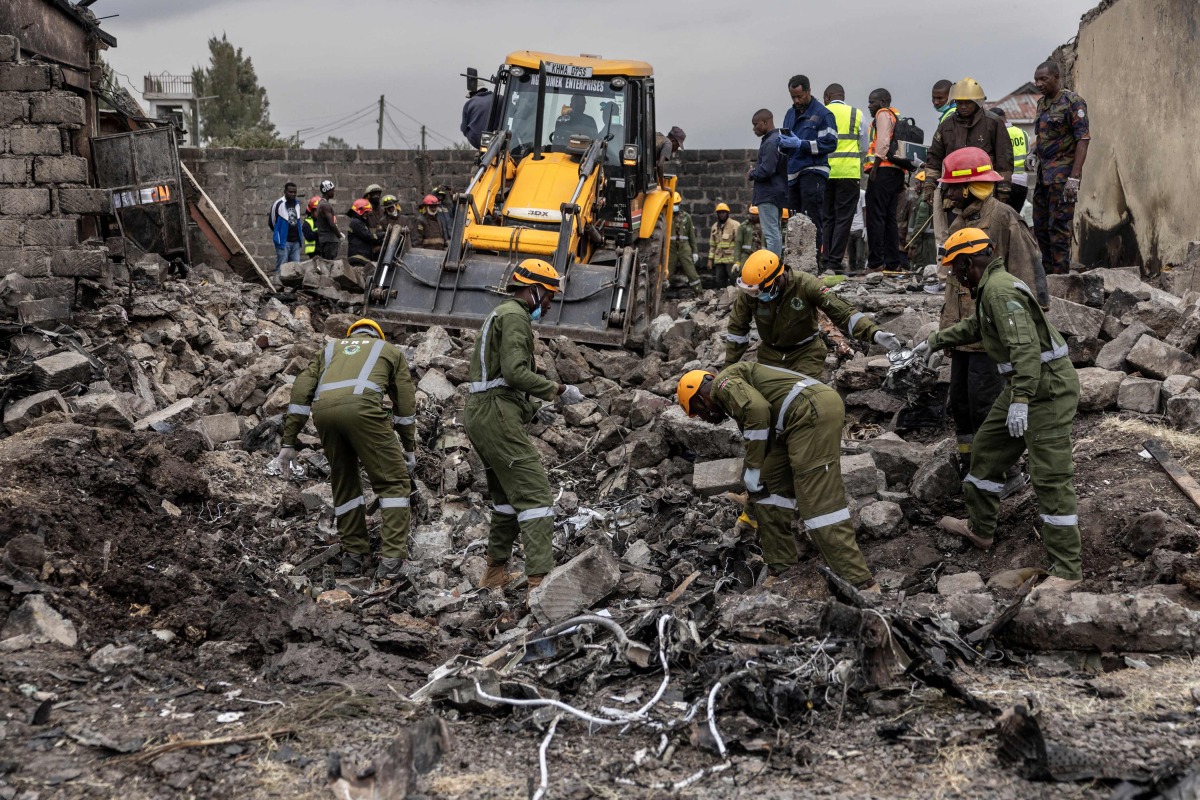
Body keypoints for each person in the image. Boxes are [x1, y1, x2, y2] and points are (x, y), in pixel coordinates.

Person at [913, 229, 1082, 593]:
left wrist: (1020, 399)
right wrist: (933, 341)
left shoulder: (1001, 291)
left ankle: (1067, 568)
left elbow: (1024, 350)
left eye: (955, 270)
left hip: (1045, 389)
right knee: (986, 451)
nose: (954, 277)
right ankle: (980, 529)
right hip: (1027, 384)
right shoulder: (992, 288)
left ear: (966, 263)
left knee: (1050, 476)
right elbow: (978, 327)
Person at [676, 366, 879, 591]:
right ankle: (781, 569)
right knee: (769, 484)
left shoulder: (723, 385)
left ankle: (862, 583)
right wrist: (750, 515)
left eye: (700, 411)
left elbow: (758, 409)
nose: (706, 418)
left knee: (817, 506)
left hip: (810, 411)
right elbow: (762, 450)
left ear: (700, 398)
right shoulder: (735, 395)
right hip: (795, 420)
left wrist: (752, 467)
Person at [466, 259, 587, 599]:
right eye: (548, 296)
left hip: (482, 413)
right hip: (495, 415)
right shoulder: (516, 316)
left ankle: (494, 574)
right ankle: (541, 585)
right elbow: (516, 372)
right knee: (535, 495)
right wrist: (558, 392)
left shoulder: (500, 314)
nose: (549, 304)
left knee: (506, 499)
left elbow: (496, 382)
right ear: (533, 290)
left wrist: (533, 409)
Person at [937, 147, 1049, 488]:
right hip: (964, 337)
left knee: (987, 407)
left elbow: (1028, 273)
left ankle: (1007, 474)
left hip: (990, 337)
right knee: (962, 405)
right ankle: (973, 468)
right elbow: (954, 285)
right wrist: (945, 332)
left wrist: (1022, 326)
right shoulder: (961, 221)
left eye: (953, 187)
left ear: (971, 186)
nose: (947, 192)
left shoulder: (1002, 218)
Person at [278, 319, 416, 584]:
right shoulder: (388, 350)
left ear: (351, 335)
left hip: (325, 414)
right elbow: (405, 402)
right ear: (378, 335)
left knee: (345, 482)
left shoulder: (330, 350)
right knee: (394, 483)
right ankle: (391, 563)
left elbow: (300, 390)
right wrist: (409, 447)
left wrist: (289, 441)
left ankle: (353, 555)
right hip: (364, 410)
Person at [725, 249, 901, 375]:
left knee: (804, 398)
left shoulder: (807, 285)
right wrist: (728, 368)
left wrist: (874, 333)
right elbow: (737, 329)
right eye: (751, 292)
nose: (755, 296)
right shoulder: (750, 293)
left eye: (759, 291)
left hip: (805, 353)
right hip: (770, 354)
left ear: (777, 279)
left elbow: (843, 312)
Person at [1031, 60, 1090, 276]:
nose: (1038, 84)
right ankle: (1047, 275)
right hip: (1042, 176)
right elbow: (1043, 136)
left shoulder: (1073, 102)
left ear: (1056, 77)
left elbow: (1082, 139)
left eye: (1043, 79)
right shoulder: (1042, 104)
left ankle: (1060, 277)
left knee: (1059, 229)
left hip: (1062, 178)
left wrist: (1074, 178)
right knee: (1040, 226)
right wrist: (1033, 152)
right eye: (1036, 80)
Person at [920, 78, 1013, 207]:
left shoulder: (993, 123)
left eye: (968, 103)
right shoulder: (946, 126)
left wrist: (1003, 191)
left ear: (977, 102)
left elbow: (1004, 159)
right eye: (959, 102)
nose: (963, 107)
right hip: (953, 195)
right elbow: (934, 158)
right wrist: (929, 185)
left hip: (984, 193)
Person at [779, 75, 837, 248]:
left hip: (813, 171)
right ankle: (796, 263)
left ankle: (814, 262)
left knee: (811, 219)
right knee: (794, 221)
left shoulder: (823, 114)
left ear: (809, 91)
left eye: (800, 96)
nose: (796, 100)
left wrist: (801, 144)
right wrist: (783, 145)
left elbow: (830, 143)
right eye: (793, 97)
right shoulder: (790, 114)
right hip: (793, 173)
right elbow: (786, 141)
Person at [820, 83, 865, 273]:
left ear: (828, 96)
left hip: (825, 172)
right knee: (843, 219)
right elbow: (863, 146)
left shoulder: (821, 113)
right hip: (849, 173)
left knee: (827, 218)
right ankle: (834, 262)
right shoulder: (857, 114)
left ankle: (826, 260)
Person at [863, 88, 907, 271]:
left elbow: (882, 144)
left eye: (872, 102)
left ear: (882, 102)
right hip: (896, 173)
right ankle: (893, 262)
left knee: (875, 218)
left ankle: (875, 263)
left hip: (883, 171)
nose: (869, 106)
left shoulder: (883, 114)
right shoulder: (897, 116)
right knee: (890, 219)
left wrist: (874, 170)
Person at [748, 109, 786, 256]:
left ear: (766, 122)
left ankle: (772, 269)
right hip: (774, 193)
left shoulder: (770, 142)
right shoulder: (776, 139)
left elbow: (767, 170)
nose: (754, 128)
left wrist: (752, 173)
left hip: (768, 194)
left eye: (756, 124)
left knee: (771, 234)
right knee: (774, 232)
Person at [991, 108, 1029, 214]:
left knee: (1002, 218)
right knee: (1016, 216)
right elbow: (1028, 153)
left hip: (1004, 181)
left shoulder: (997, 134)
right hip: (1022, 181)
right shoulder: (1023, 133)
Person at [667, 192, 702, 294]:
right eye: (673, 204)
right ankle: (661, 295)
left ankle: (699, 293)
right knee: (666, 273)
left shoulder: (686, 217)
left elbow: (692, 236)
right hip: (671, 249)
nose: (675, 206)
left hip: (684, 248)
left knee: (691, 272)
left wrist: (695, 251)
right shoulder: (666, 216)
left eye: (676, 204)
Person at [269, 182, 304, 270]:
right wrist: (278, 233)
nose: (293, 194)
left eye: (295, 192)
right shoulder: (279, 204)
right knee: (282, 267)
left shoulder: (297, 204)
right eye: (290, 192)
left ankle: (293, 284)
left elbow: (298, 221)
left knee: (296, 268)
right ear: (285, 192)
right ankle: (277, 284)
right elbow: (272, 222)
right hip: (283, 242)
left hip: (295, 242)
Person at [707, 202, 740, 288]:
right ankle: (721, 298)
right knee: (719, 281)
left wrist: (738, 259)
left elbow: (738, 243)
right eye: (720, 213)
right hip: (719, 259)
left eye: (723, 212)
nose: (722, 215)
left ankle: (734, 297)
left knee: (733, 278)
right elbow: (712, 245)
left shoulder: (735, 225)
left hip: (731, 259)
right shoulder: (714, 227)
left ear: (727, 213)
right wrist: (710, 260)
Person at [347, 198, 382, 268]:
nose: (367, 215)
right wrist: (381, 235)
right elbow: (368, 236)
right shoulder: (357, 223)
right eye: (366, 212)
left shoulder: (360, 223)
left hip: (361, 257)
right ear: (360, 211)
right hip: (358, 258)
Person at [314, 180, 343, 260]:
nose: (334, 192)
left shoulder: (321, 204)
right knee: (329, 264)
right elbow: (331, 224)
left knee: (326, 264)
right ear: (327, 191)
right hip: (329, 241)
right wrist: (339, 235)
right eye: (332, 190)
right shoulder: (325, 205)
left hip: (325, 240)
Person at [461, 84, 493, 149]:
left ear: (473, 93)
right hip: (499, 140)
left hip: (478, 141)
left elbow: (464, 129)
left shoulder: (469, 103)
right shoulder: (501, 98)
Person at [733, 205, 763, 275]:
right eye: (753, 214)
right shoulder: (743, 226)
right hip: (746, 254)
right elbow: (738, 243)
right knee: (743, 272)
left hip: (760, 255)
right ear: (749, 214)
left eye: (756, 215)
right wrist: (737, 261)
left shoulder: (764, 226)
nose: (754, 216)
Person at [847, 188, 867, 273]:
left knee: (860, 256)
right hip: (849, 228)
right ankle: (852, 273)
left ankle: (861, 271)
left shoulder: (862, 193)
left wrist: (865, 227)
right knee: (851, 256)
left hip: (859, 228)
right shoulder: (846, 194)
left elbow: (865, 210)